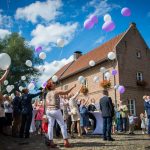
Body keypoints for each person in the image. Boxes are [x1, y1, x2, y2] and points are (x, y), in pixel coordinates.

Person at [46, 80, 76, 148]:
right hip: (55, 110)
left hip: (48, 111)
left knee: (50, 126)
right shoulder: (55, 91)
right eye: (53, 83)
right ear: (51, 86)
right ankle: (66, 142)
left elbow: (46, 103)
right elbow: (66, 92)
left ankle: (51, 142)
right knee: (62, 125)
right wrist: (73, 87)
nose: (54, 84)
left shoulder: (47, 93)